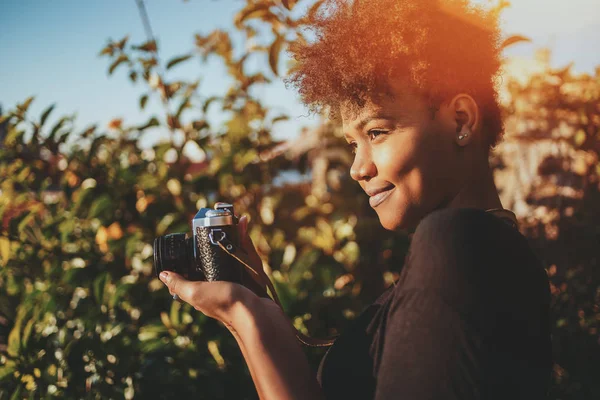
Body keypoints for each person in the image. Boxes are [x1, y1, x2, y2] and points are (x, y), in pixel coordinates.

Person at [158, 0, 553, 398]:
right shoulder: (466, 265)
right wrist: (254, 311)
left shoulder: (459, 245)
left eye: (377, 133)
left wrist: (245, 317)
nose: (357, 168)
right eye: (352, 144)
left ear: (461, 120)